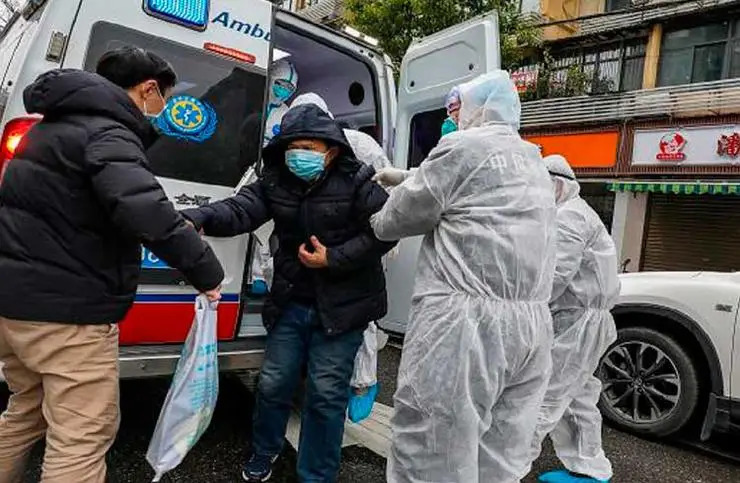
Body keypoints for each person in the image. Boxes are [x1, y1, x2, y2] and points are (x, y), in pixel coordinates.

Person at [0, 47, 223, 483]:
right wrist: (207, 274)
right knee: (81, 437)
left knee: (24, 413)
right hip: (69, 315)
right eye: (164, 100)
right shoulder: (109, 133)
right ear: (149, 89)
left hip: (16, 307)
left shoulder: (51, 129)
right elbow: (148, 213)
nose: (162, 111)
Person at [181, 103, 396, 483]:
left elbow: (385, 231)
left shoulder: (359, 180)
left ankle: (316, 474)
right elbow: (242, 208)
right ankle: (264, 451)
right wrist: (201, 217)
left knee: (326, 396)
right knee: (273, 382)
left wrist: (334, 258)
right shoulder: (276, 179)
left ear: (331, 150)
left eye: (309, 147)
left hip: (343, 307)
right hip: (291, 300)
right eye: (293, 146)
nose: (300, 155)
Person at [371, 70, 557, 483]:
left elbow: (399, 218)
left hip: (464, 325)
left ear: (478, 109)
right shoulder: (532, 159)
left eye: (456, 109)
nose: (451, 118)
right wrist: (406, 176)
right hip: (530, 327)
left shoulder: (461, 146)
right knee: (499, 449)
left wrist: (375, 214)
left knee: (431, 442)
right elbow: (474, 190)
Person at [289, 93, 391, 422]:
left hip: (360, 239)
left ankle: (363, 384)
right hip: (321, 242)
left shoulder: (359, 144)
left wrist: (349, 249)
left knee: (360, 318)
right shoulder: (296, 149)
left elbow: (384, 199)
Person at [527, 155, 619, 483]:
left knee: (545, 395)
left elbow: (555, 276)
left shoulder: (570, 218)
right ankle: (589, 467)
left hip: (579, 323)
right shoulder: (571, 213)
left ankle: (504, 469)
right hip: (580, 320)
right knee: (577, 396)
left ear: (559, 184)